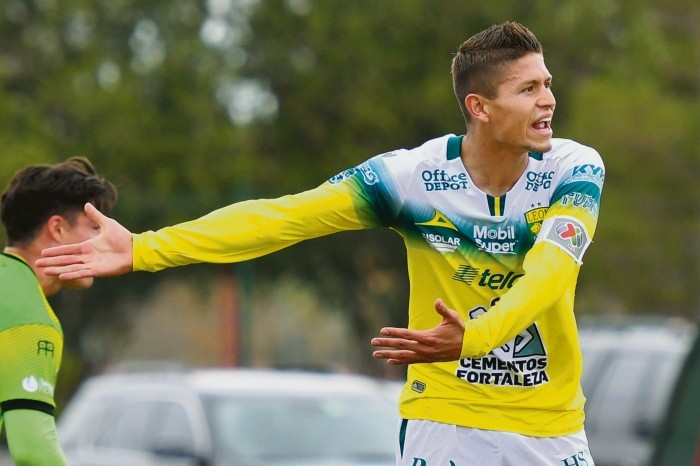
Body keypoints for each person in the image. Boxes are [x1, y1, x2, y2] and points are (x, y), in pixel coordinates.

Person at [37, 22, 604, 465]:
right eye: (529, 89)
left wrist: (476, 336)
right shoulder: (410, 178)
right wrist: (145, 248)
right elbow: (282, 217)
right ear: (479, 107)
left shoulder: (575, 169)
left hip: (551, 427)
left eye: (547, 84)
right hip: (447, 422)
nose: (548, 100)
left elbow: (551, 272)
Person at [0, 157, 117, 465]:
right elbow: (34, 450)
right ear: (58, 229)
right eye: (95, 228)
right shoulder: (27, 312)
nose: (104, 242)